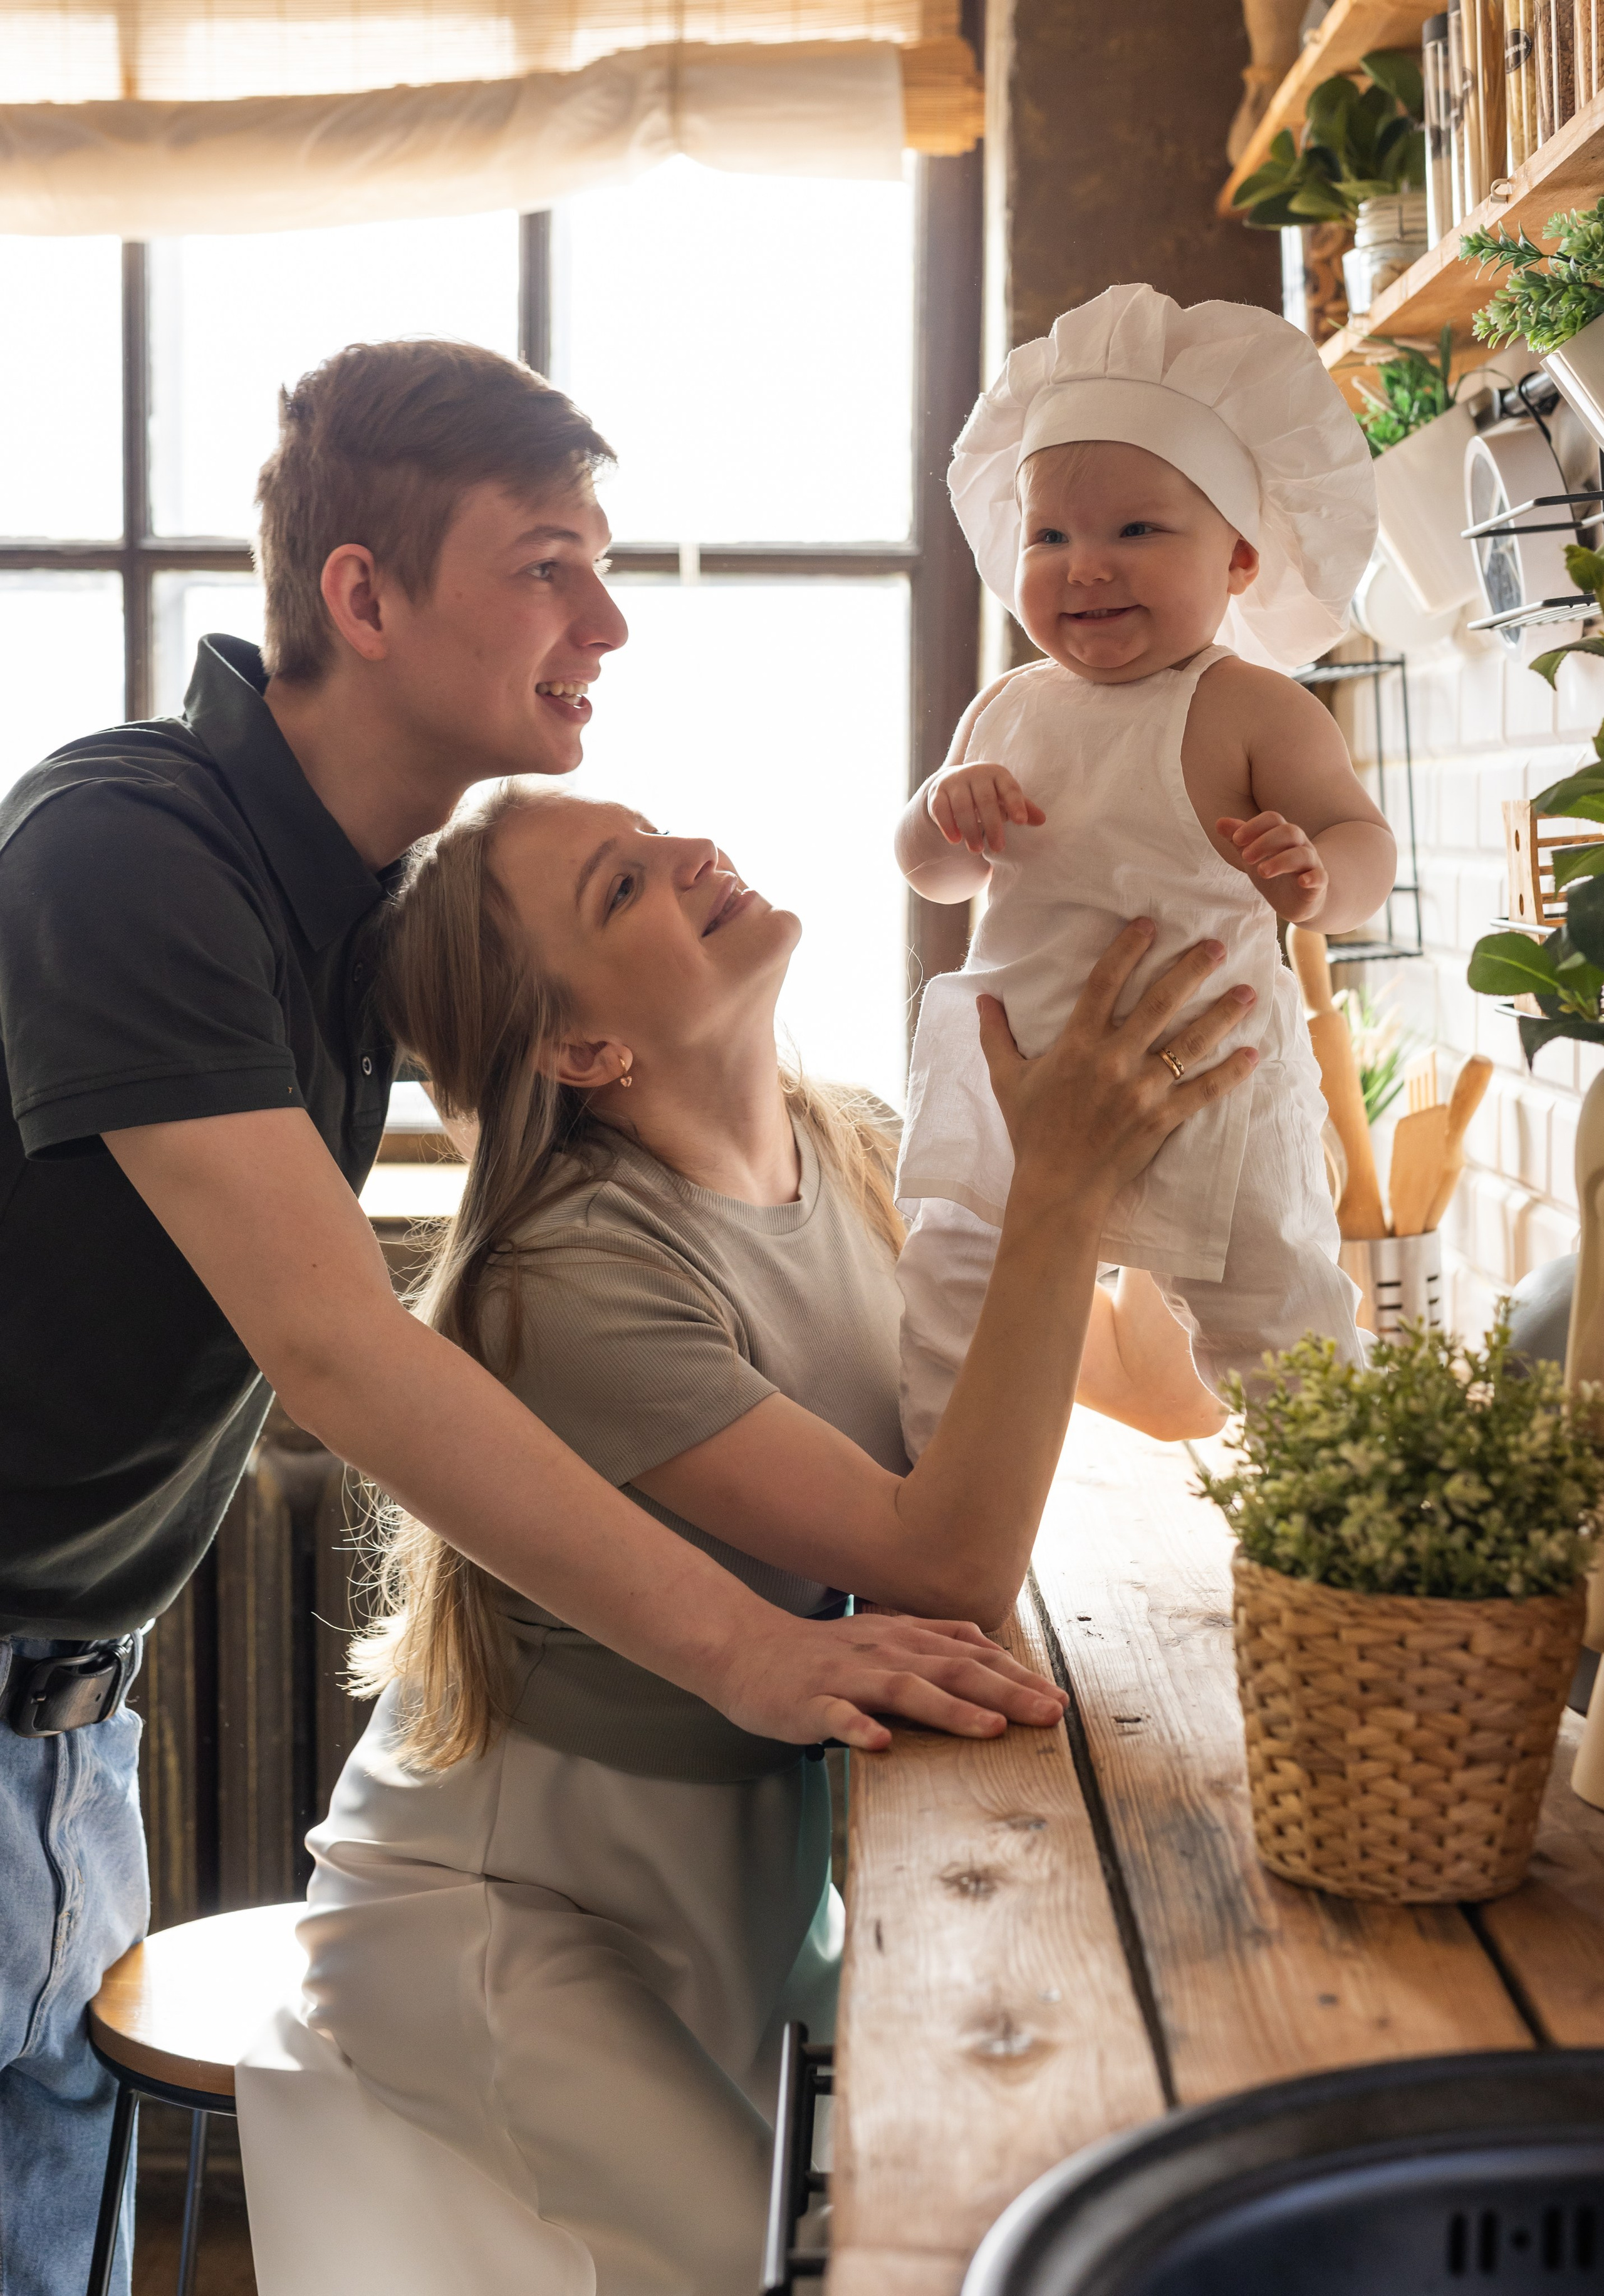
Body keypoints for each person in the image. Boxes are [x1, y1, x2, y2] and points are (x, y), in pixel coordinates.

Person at [0, 338, 1066, 2296]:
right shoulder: (129, 846)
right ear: (363, 596)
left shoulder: (345, 901)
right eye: (549, 563)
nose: (607, 619)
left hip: (66, 1709)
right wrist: (747, 1649)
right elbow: (336, 1348)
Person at [234, 776, 1257, 2296]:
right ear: (583, 1050)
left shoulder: (851, 1147)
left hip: (729, 1879)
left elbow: (1156, 1389)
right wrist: (1055, 1175)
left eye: (652, 835)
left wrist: (1183, 1133)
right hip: (499, 1922)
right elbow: (948, 1561)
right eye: (620, 886)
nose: (687, 853)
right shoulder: (566, 1276)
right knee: (801, 2269)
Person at [892, 281, 1396, 1458]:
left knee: (1277, 1320)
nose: (1086, 568)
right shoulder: (1008, 706)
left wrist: (1316, 877)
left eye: (1136, 531)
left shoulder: (1253, 709)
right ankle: (941, 1545)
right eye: (1051, 537)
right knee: (951, 1312)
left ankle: (1342, 1541)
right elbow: (936, 879)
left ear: (1237, 559)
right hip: (1017, 1080)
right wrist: (937, 813)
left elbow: (1362, 841)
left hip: (1203, 1074)